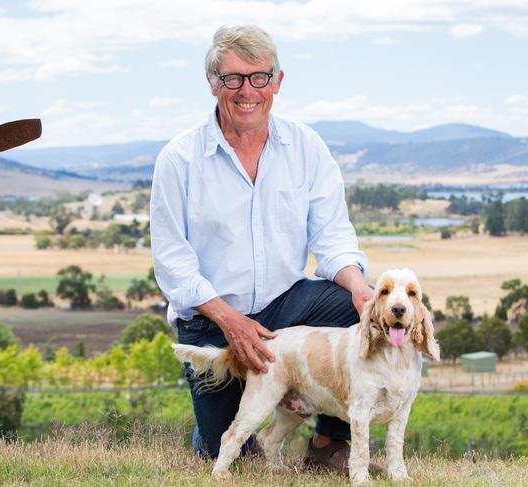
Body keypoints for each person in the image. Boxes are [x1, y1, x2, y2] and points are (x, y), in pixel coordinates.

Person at [150, 25, 373, 471]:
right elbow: (173, 263)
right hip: (212, 320)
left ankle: (330, 446)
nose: (246, 91)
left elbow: (331, 235)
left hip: (287, 304)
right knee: (232, 453)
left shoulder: (305, 146)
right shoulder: (179, 160)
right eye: (232, 78)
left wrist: (358, 286)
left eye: (259, 77)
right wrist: (230, 320)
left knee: (356, 310)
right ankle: (211, 424)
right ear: (213, 83)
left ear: (277, 81)